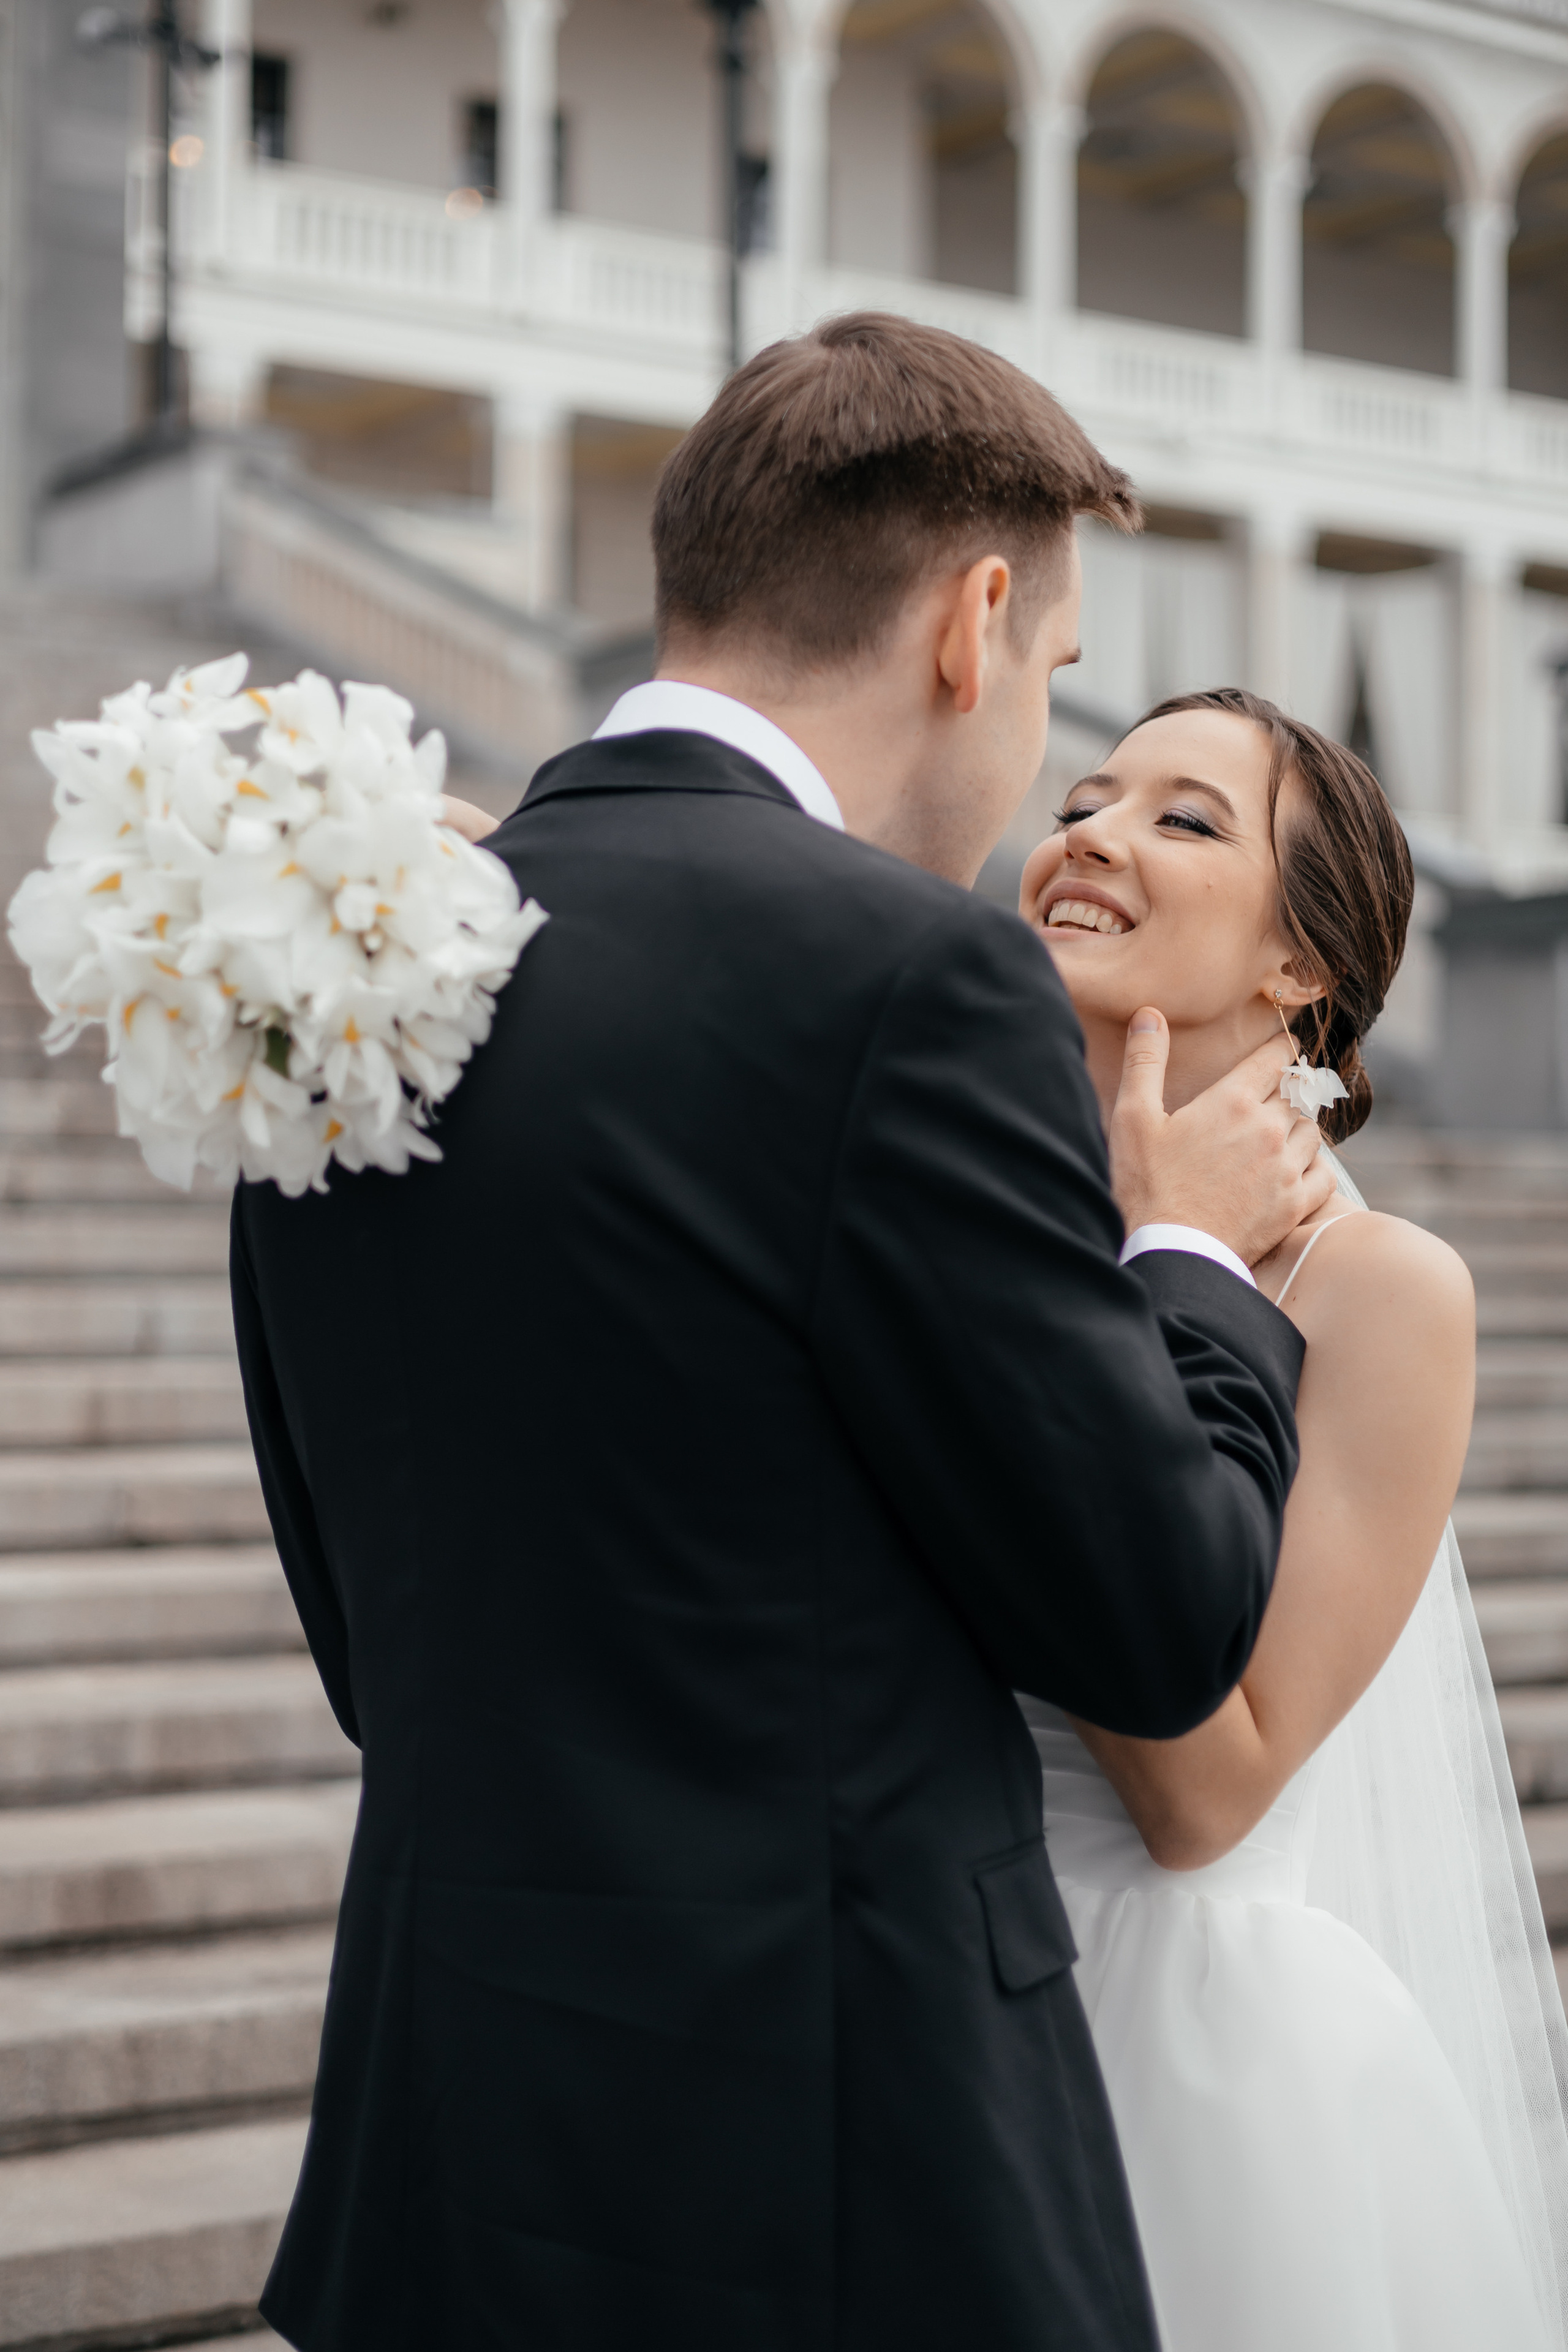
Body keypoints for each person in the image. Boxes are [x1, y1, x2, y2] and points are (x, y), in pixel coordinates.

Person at [231, 316, 1334, 2352]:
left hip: (448, 2156)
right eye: (1058, 683)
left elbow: (371, 1629)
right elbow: (1159, 1621)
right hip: (834, 2181)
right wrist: (1184, 1265)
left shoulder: (352, 956)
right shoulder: (909, 977)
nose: (1041, 772)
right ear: (973, 620)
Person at [1019, 687, 1568, 2352]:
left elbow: (1212, 1788)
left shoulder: (1382, 1289)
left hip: (1172, 2064)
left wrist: (1152, 1273)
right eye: (1084, 800)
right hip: (914, 2001)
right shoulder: (977, 1212)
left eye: (1184, 820)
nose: (1091, 835)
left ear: (1299, 968)